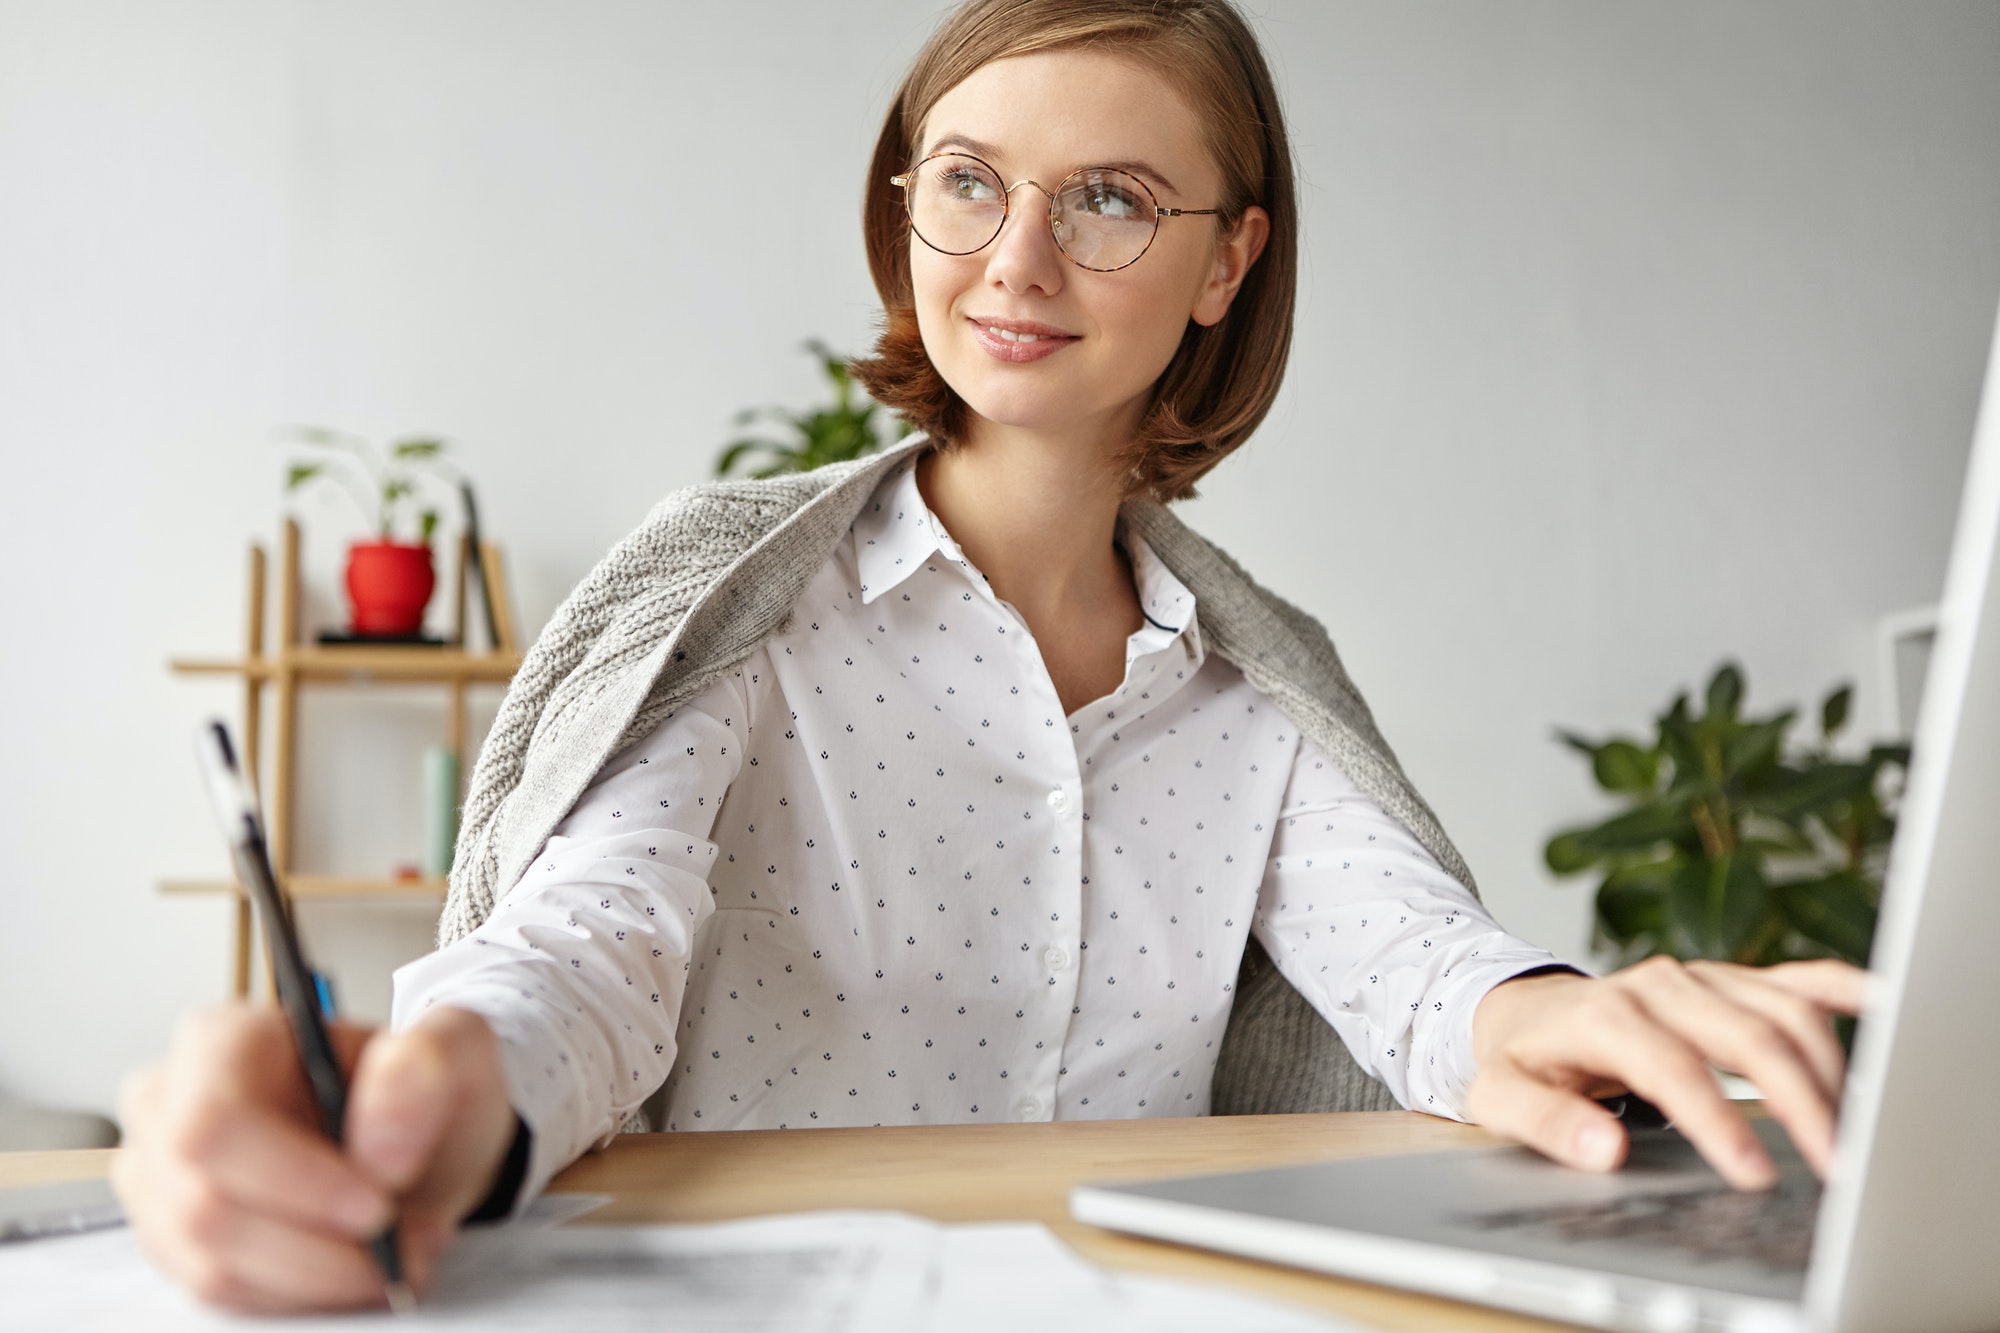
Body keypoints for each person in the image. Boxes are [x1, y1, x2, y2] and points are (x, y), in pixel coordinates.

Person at [112, 0, 1865, 1313]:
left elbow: (1419, 973)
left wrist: (1557, 1018)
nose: (1017, 259)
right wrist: (443, 1092)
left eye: (1109, 198)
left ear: (1224, 265)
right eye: (970, 182)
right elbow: (588, 955)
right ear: (909, 206)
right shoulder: (744, 609)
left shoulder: (1256, 685)